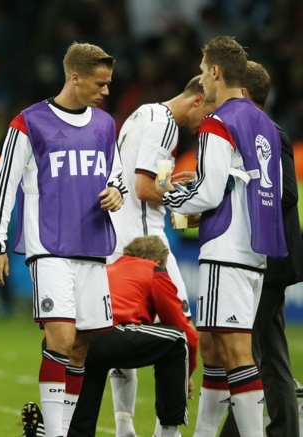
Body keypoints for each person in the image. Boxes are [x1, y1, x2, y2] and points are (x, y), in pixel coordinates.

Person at [0, 42, 125, 437]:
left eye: (109, 83)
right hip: (50, 246)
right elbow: (4, 187)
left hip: (94, 246)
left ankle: (57, 429)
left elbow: (116, 174)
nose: (106, 91)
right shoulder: (28, 123)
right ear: (74, 77)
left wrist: (117, 191)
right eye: (100, 83)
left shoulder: (105, 124)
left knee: (81, 346)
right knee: (61, 336)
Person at [156, 36, 286, 436]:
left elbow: (208, 193)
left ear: (214, 71)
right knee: (213, 350)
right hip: (256, 249)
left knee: (235, 353)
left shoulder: (219, 121)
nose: (200, 77)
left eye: (201, 68)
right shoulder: (266, 123)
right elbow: (267, 192)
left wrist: (173, 195)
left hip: (225, 248)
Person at [107, 75, 215, 436]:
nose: (208, 122)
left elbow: (147, 184)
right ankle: (166, 430)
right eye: (210, 110)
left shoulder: (143, 114)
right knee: (180, 330)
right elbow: (143, 187)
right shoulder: (166, 125)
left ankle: (124, 426)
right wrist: (188, 199)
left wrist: (170, 189)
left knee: (124, 328)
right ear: (198, 99)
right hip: (145, 244)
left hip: (116, 239)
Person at [218, 61, 303, 437]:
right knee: (266, 351)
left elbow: (286, 192)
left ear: (245, 95)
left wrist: (237, 187)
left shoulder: (270, 134)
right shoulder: (261, 134)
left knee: (249, 352)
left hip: (271, 259)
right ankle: (278, 430)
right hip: (267, 258)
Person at [68, 236, 198, 437]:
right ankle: (169, 432)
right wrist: (187, 373)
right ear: (158, 261)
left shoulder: (108, 269)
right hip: (110, 336)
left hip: (78, 341)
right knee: (178, 340)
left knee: (81, 423)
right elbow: (184, 330)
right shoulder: (153, 270)